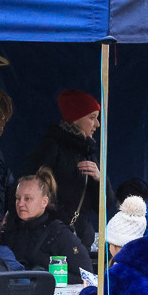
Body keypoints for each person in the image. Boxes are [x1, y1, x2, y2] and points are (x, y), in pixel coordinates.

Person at [0, 168, 93, 295]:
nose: (21, 204)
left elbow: (86, 276)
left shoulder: (60, 233)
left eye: (28, 199)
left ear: (44, 202)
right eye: (18, 198)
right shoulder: (9, 231)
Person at [23, 89, 102, 249]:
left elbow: (103, 207)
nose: (97, 124)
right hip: (52, 236)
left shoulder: (89, 154)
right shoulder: (51, 147)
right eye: (92, 118)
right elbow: (30, 189)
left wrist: (99, 179)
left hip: (79, 238)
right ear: (75, 119)